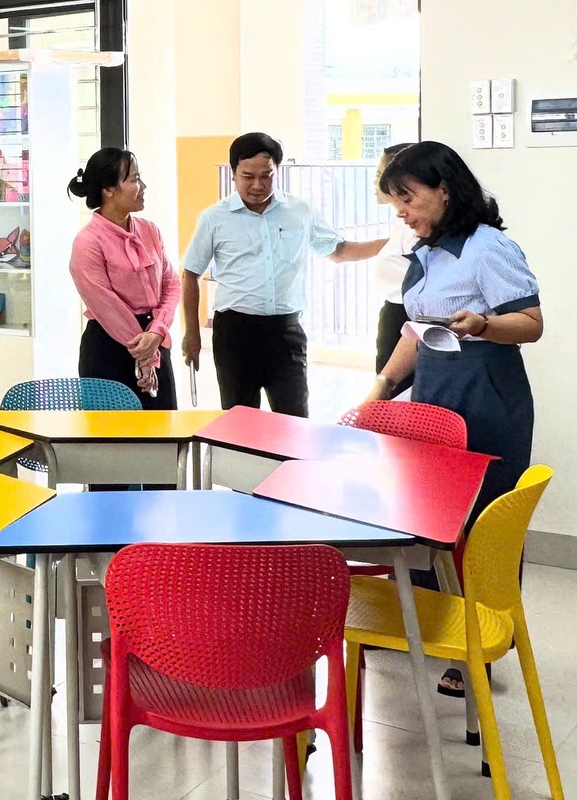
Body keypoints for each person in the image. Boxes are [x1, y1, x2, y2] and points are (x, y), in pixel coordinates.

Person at [365, 140, 541, 696]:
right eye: (396, 201)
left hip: (486, 393)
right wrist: (382, 388)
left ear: (444, 189)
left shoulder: (488, 247)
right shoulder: (427, 251)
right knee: (429, 516)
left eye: (408, 198)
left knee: (481, 523)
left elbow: (531, 322)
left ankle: (478, 648)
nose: (401, 212)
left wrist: (483, 325)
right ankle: (428, 625)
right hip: (434, 394)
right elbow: (415, 330)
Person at [179, 132, 381, 416]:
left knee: (294, 420)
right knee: (239, 422)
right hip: (235, 333)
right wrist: (192, 333)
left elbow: (337, 250)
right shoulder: (214, 218)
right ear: (233, 173)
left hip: (286, 332)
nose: (257, 185)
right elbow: (190, 274)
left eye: (267, 176)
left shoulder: (299, 211)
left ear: (277, 172)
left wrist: (391, 244)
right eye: (248, 176)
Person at [68, 147, 180, 409]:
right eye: (135, 179)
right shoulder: (88, 242)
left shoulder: (149, 230)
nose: (143, 186)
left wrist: (157, 331)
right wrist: (144, 355)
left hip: (154, 338)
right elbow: (107, 307)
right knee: (113, 431)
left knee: (164, 427)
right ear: (108, 189)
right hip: (110, 347)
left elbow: (171, 284)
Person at [366, 142, 419, 400]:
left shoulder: (416, 225)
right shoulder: (402, 222)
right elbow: (343, 252)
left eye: (380, 175)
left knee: (396, 396)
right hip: (396, 315)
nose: (376, 183)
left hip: (407, 317)